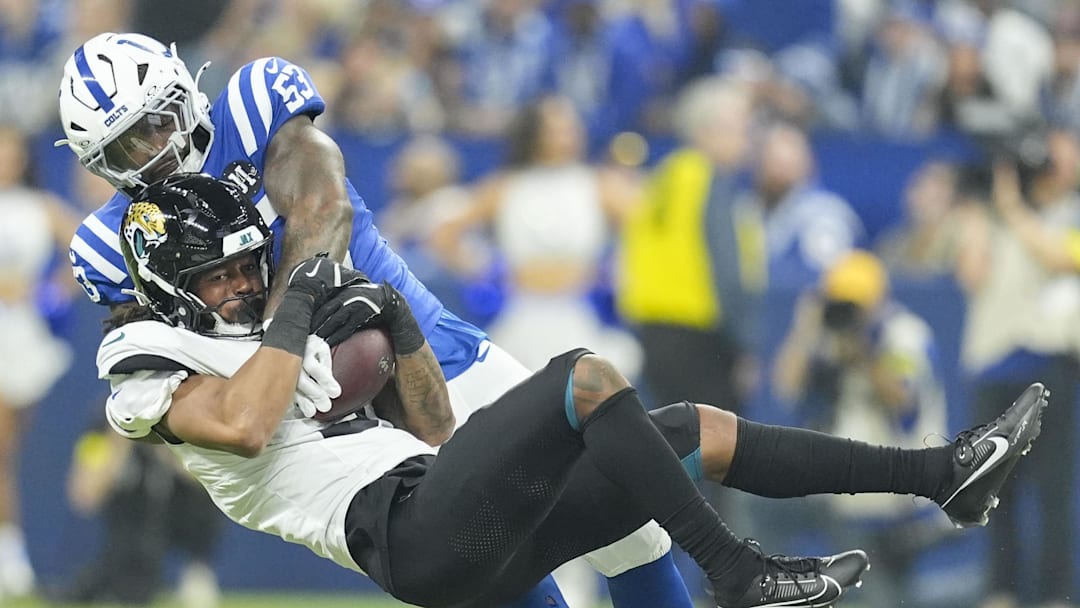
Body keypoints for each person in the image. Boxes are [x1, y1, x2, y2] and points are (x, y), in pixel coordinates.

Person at [102, 172, 1044, 608]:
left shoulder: (278, 317)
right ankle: (739, 574)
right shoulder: (144, 357)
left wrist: (394, 319)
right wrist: (298, 305)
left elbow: (432, 430)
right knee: (582, 381)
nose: (237, 284)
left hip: (445, 506)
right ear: (165, 283)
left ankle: (939, 474)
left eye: (244, 267)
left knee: (684, 428)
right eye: (216, 276)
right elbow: (241, 422)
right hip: (404, 538)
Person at [57, 31, 686, 608]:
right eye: (124, 148)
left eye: (155, 126)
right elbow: (166, 354)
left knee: (626, 525)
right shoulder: (107, 244)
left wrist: (288, 329)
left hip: (429, 353)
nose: (151, 154)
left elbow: (323, 208)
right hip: (336, 421)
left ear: (182, 93)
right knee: (496, 569)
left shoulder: (251, 104)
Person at [772, 250, 953, 606]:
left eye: (856, 305)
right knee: (753, 504)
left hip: (899, 496)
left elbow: (904, 401)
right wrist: (804, 331)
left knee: (879, 598)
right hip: (845, 496)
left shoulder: (905, 335)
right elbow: (785, 388)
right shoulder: (830, 336)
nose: (850, 314)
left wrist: (865, 354)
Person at [0, 124, 79, 599]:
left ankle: (10, 557)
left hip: (22, 339)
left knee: (7, 453)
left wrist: (52, 290)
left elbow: (84, 244)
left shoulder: (38, 207)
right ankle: (11, 559)